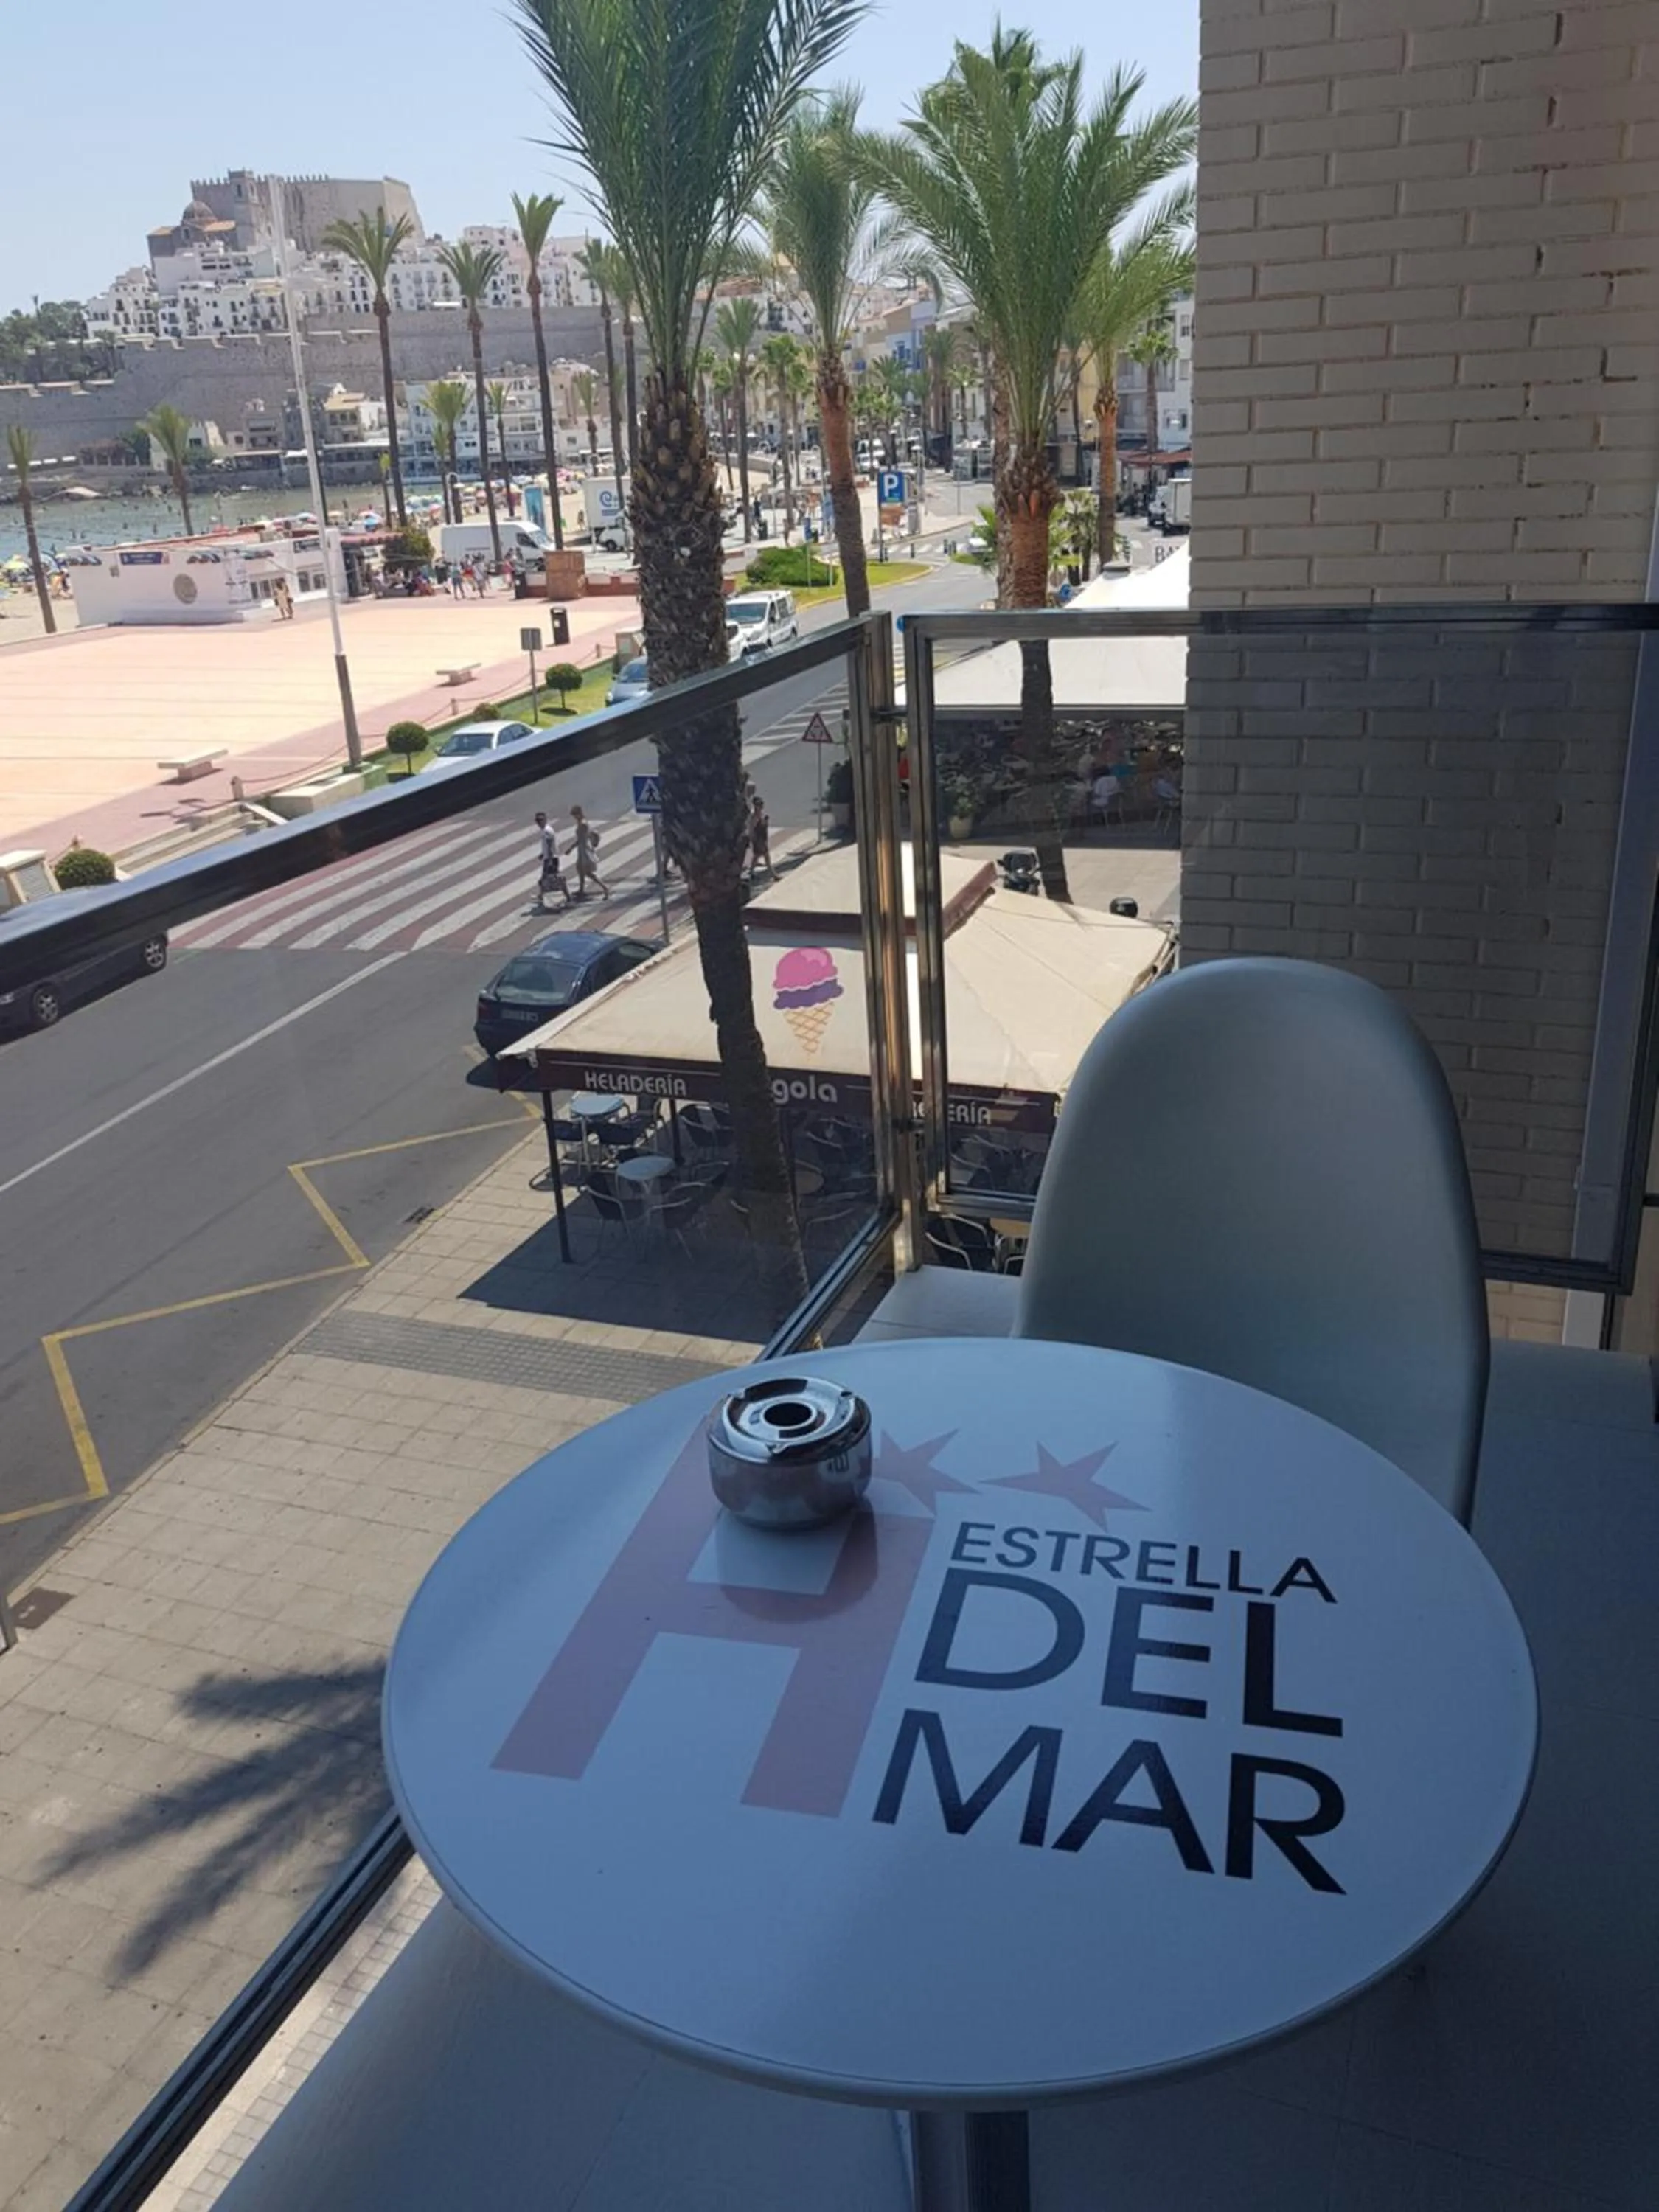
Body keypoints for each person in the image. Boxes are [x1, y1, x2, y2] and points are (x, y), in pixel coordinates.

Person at [568, 804, 608, 899]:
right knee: (579, 868)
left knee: (587, 872)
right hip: (582, 849)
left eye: (575, 815)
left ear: (579, 813)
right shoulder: (581, 823)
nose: (574, 817)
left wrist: (571, 848)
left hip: (584, 850)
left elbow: (581, 839)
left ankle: (605, 888)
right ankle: (581, 890)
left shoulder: (583, 824)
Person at [534, 810, 567, 912]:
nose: (539, 822)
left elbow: (549, 846)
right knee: (549, 879)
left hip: (551, 859)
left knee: (548, 880)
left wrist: (549, 860)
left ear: (545, 820)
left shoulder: (547, 831)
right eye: (537, 820)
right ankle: (542, 896)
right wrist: (543, 854)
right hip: (549, 858)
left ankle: (565, 896)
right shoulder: (545, 830)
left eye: (541, 820)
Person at [747, 791, 774, 883]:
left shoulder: (761, 815)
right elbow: (752, 829)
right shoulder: (754, 817)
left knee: (756, 857)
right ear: (756, 806)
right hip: (758, 840)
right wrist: (753, 840)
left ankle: (751, 872)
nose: (761, 806)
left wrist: (766, 821)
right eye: (760, 804)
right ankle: (773, 874)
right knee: (766, 856)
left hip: (763, 838)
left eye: (762, 804)